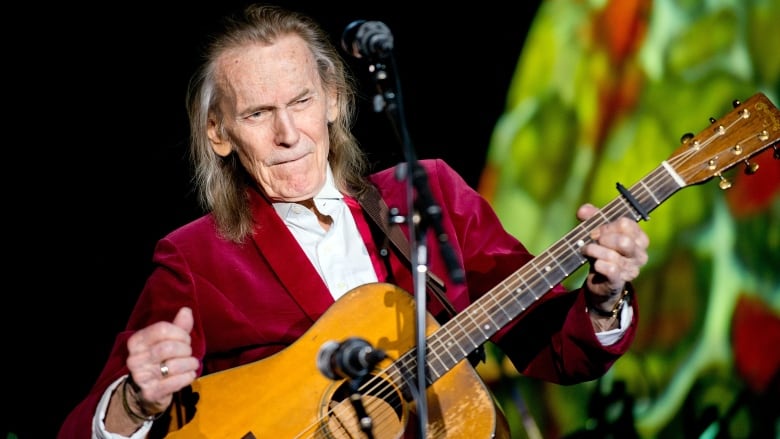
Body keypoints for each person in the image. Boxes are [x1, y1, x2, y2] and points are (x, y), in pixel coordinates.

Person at [59, 3, 649, 438]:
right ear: (219, 133)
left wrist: (603, 301)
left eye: (301, 102)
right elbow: (86, 428)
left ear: (335, 99)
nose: (288, 135)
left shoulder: (430, 196)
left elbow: (557, 350)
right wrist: (134, 405)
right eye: (259, 113)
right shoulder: (196, 258)